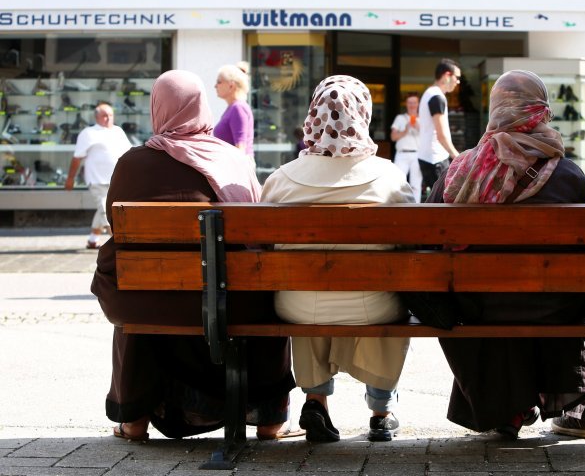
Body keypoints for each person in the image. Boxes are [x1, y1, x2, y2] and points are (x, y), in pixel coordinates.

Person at [90, 70, 296, 442]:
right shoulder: (232, 160)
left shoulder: (132, 163)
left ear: (158, 107)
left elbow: (115, 225)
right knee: (264, 283)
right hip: (231, 301)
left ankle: (133, 419)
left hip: (149, 302)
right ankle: (270, 419)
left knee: (134, 284)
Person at [426, 70, 585, 439]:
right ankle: (582, 410)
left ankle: (507, 408)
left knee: (480, 295)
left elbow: (426, 241)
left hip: (478, 306)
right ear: (542, 111)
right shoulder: (569, 176)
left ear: (495, 110)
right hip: (554, 305)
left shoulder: (459, 171)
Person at [261, 74, 415, 443]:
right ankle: (381, 411)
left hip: (298, 305)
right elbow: (414, 241)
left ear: (312, 115)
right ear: (363, 115)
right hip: (373, 305)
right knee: (384, 293)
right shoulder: (389, 177)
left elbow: (261, 248)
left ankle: (315, 401)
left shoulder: (282, 179)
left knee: (307, 291)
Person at [64, 103, 131, 249]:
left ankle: (93, 239)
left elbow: (128, 154)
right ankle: (119, 244)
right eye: (104, 116)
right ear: (96, 117)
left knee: (103, 210)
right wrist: (70, 178)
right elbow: (77, 157)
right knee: (106, 212)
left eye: (110, 115)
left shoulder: (118, 131)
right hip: (97, 180)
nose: (108, 119)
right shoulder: (88, 133)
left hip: (116, 180)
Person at [418, 59, 461, 197]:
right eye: (457, 77)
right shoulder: (436, 96)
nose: (458, 82)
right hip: (435, 158)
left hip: (429, 157)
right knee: (445, 202)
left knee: (438, 202)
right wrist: (457, 157)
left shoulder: (429, 93)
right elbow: (441, 134)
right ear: (447, 75)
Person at [213, 64, 254, 157]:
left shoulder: (238, 108)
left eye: (219, 82)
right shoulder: (233, 107)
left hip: (235, 168)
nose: (215, 86)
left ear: (231, 85)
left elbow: (240, 148)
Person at [390, 93, 423, 202]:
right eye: (410, 102)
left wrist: (419, 128)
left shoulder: (423, 119)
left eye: (414, 102)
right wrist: (405, 130)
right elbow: (393, 137)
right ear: (406, 104)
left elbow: (430, 138)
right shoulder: (400, 118)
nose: (412, 105)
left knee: (416, 185)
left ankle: (416, 208)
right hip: (402, 154)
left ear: (418, 104)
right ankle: (398, 207)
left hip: (417, 154)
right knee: (397, 182)